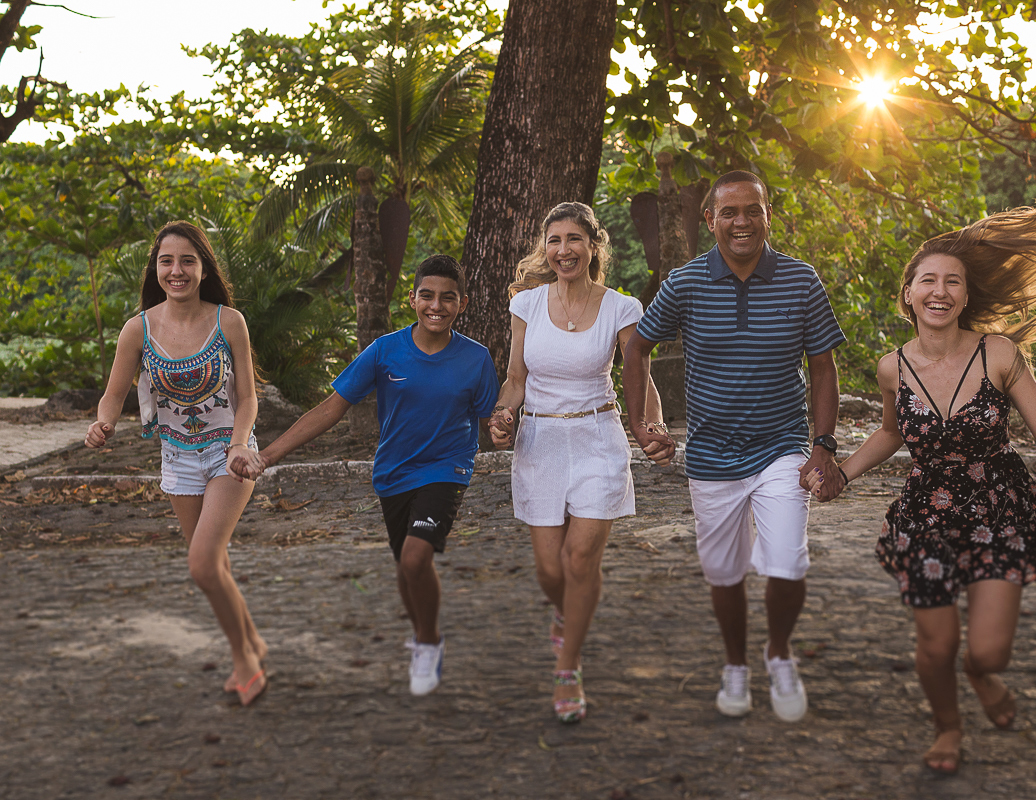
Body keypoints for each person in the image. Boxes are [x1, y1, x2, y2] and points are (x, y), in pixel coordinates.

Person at [806, 198, 1036, 774]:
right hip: (925, 514)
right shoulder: (891, 367)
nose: (940, 291)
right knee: (936, 646)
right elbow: (891, 433)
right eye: (928, 280)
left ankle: (981, 678)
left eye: (953, 281)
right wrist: (843, 471)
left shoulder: (1000, 354)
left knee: (987, 651)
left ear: (967, 296)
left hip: (1000, 509)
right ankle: (948, 727)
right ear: (909, 294)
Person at [622, 171, 846, 723]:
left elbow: (823, 367)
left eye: (753, 210)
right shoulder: (686, 283)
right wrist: (642, 422)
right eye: (729, 212)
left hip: (782, 446)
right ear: (711, 220)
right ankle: (735, 665)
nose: (741, 221)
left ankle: (779, 654)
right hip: (711, 454)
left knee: (788, 563)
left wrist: (822, 443)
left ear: (768, 215)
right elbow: (636, 348)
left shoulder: (801, 281)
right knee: (724, 573)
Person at [229, 255, 498, 697]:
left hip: (447, 469)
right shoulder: (386, 350)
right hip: (392, 473)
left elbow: (493, 419)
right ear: (412, 299)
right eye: (427, 295)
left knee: (415, 558)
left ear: (462, 303)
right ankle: (420, 633)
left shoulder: (476, 359)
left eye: (447, 298)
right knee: (404, 567)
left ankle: (429, 642)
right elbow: (331, 409)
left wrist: (507, 431)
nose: (436, 305)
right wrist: (267, 455)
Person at [488, 202, 673, 724]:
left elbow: (640, 379)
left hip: (598, 436)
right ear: (545, 249)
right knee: (551, 569)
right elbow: (516, 379)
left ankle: (568, 667)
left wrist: (652, 426)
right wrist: (504, 413)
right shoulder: (526, 304)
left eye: (574, 239)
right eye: (554, 240)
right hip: (540, 439)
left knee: (578, 561)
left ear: (594, 246)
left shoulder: (623, 307)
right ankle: (566, 614)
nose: (564, 249)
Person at [86, 221, 268, 706]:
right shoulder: (138, 329)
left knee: (203, 565)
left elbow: (248, 398)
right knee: (216, 562)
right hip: (176, 460)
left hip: (230, 455)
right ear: (156, 269)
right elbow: (113, 395)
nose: (177, 270)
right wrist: (103, 424)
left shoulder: (230, 321)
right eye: (167, 261)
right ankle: (251, 639)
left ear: (204, 267)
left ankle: (245, 662)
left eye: (187, 260)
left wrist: (239, 444)